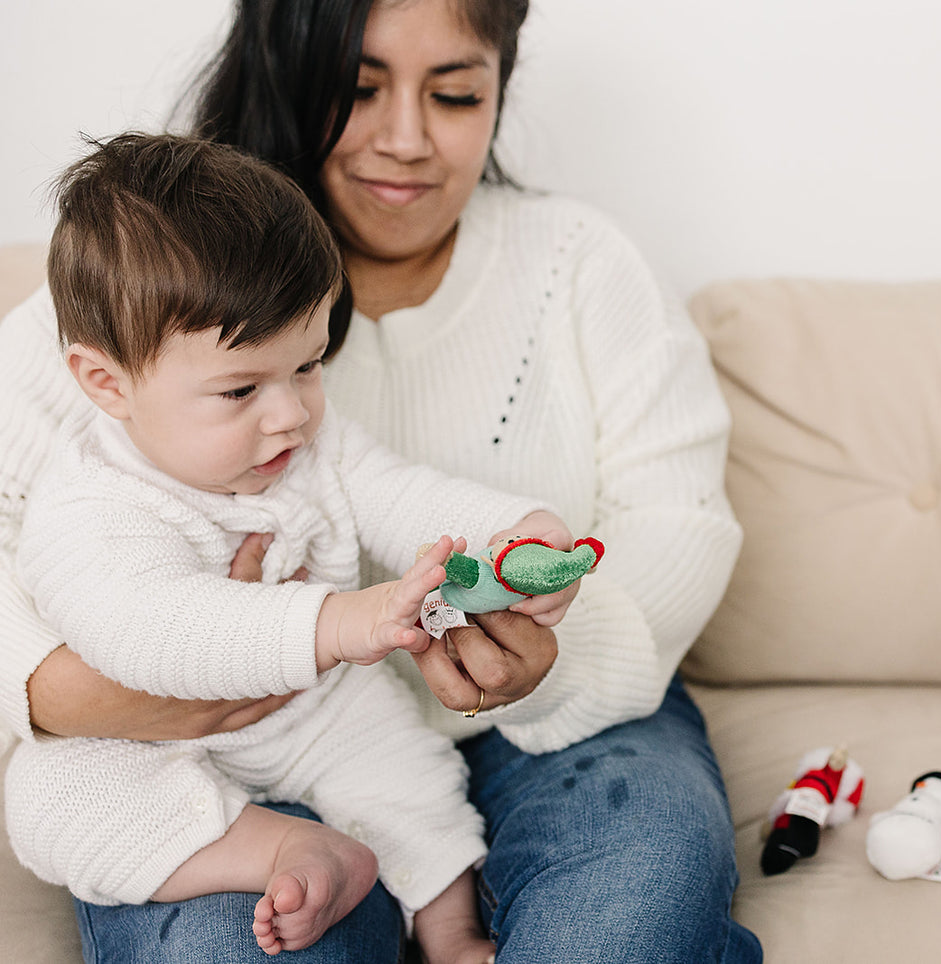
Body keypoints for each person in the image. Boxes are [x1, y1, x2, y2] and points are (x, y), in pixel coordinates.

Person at [0, 0, 762, 961]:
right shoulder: (142, 278)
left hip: (550, 727)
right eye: (359, 89)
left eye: (453, 94)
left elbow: (669, 521)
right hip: (222, 745)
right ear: (284, 72)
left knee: (625, 925)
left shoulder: (580, 263)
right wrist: (63, 690)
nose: (405, 139)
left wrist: (547, 624)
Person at [7, 132, 581, 962]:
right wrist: (344, 622)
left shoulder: (309, 442)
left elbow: (403, 494)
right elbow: (152, 628)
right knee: (51, 801)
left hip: (314, 712)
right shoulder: (88, 505)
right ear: (108, 383)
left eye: (307, 367)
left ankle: (452, 933)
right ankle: (277, 848)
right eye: (241, 389)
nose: (290, 416)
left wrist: (511, 534)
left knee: (408, 772)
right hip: (142, 742)